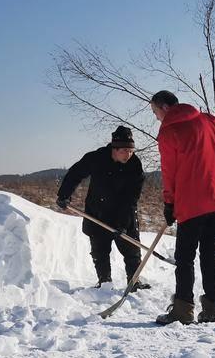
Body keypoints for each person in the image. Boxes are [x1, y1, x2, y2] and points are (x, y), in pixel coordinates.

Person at [149, 90, 215, 325]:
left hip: (192, 202)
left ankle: (182, 311)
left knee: (185, 257)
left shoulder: (168, 132)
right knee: (210, 255)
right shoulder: (209, 119)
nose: (156, 118)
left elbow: (169, 172)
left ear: (164, 108)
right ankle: (213, 309)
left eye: (155, 112)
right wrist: (212, 152)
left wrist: (169, 203)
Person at [56, 125, 150, 291]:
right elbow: (75, 173)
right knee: (100, 249)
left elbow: (131, 198)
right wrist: (64, 194)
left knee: (132, 249)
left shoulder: (135, 165)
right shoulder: (96, 158)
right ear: (115, 149)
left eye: (131, 151)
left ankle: (134, 281)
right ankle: (104, 282)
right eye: (124, 151)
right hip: (98, 210)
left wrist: (122, 223)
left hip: (124, 210)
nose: (128, 155)